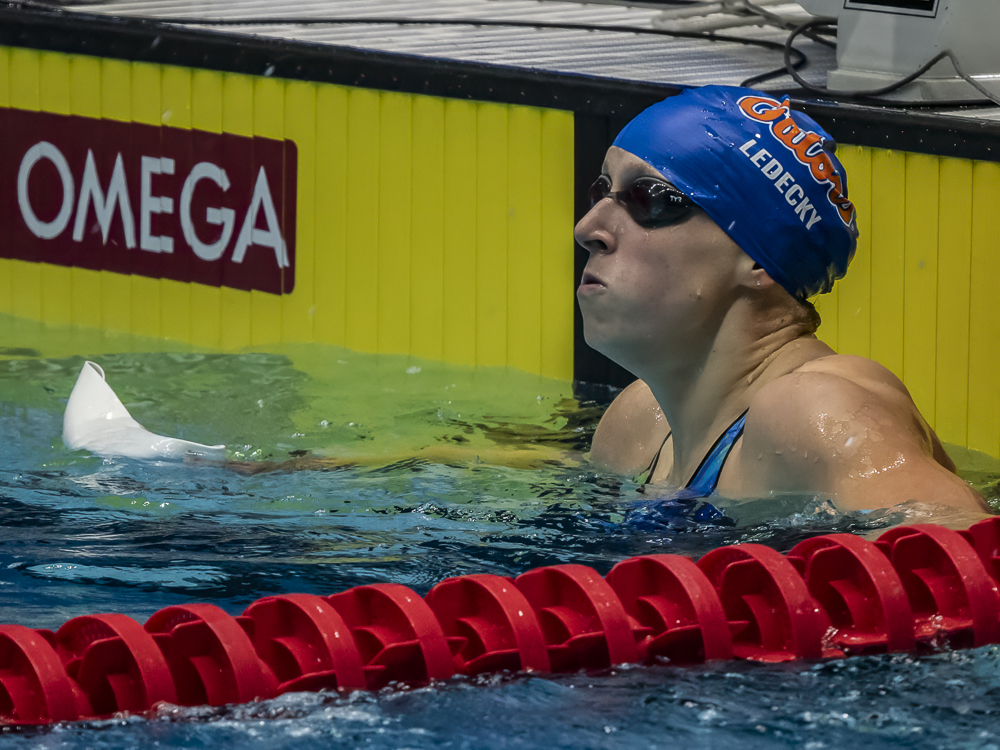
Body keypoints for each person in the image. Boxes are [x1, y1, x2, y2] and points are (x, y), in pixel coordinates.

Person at [576, 85, 988, 518]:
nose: (588, 228)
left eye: (652, 200)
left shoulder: (817, 412)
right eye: (601, 190)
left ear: (761, 257)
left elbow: (961, 561)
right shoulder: (638, 426)